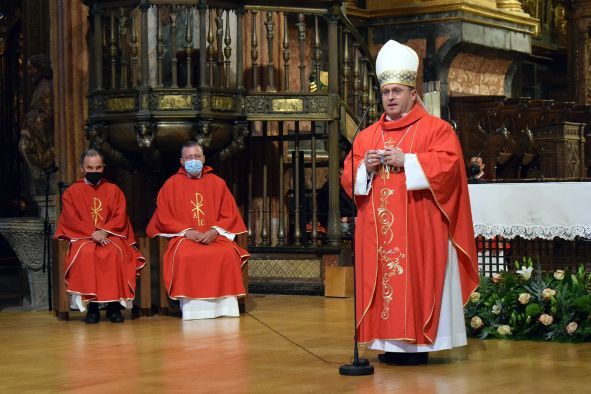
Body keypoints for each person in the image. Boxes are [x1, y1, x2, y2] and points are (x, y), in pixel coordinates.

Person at [341, 40, 479, 365]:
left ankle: (419, 346)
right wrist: (366, 168)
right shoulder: (366, 136)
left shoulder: (436, 129)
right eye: (386, 91)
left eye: (397, 91)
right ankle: (388, 344)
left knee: (415, 280)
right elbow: (349, 176)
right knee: (385, 283)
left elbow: (450, 166)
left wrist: (410, 160)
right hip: (379, 234)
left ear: (412, 93)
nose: (390, 97)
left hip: (420, 226)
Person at [146, 141, 249, 320]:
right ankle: (193, 310)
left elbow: (230, 214)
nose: (193, 161)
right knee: (186, 255)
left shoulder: (218, 183)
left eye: (196, 157)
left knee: (227, 252)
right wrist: (186, 231)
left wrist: (215, 231)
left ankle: (226, 308)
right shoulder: (171, 184)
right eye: (188, 157)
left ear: (203, 158)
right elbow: (163, 217)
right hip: (185, 238)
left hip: (214, 236)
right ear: (181, 161)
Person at [55, 149, 145, 324]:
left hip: (110, 235)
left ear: (103, 167)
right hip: (83, 238)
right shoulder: (72, 192)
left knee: (115, 252)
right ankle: (92, 308)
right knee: (87, 253)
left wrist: (104, 231)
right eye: (90, 168)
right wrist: (92, 233)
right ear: (82, 168)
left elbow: (120, 215)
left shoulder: (113, 190)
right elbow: (70, 219)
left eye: (98, 168)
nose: (94, 171)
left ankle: (113, 307)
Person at [19, 54, 55, 179]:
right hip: (36, 134)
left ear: (40, 69)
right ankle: (39, 178)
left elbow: (48, 116)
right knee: (23, 146)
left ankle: (42, 177)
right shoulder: (40, 87)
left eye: (31, 69)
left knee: (24, 146)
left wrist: (30, 128)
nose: (30, 73)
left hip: (44, 139)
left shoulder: (46, 87)